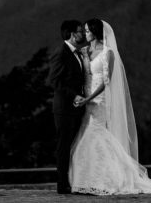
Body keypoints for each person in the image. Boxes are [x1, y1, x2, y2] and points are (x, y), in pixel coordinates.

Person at [68, 18, 151, 195]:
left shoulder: (108, 53)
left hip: (99, 100)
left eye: (87, 30)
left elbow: (106, 82)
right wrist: (82, 95)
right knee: (88, 136)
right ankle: (90, 180)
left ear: (95, 31)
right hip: (86, 98)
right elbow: (86, 75)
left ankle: (107, 179)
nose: (85, 33)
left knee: (95, 135)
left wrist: (89, 99)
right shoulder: (87, 51)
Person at [48, 20, 87, 194]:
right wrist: (74, 95)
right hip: (64, 108)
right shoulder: (61, 52)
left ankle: (74, 180)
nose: (83, 34)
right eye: (80, 31)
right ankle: (62, 184)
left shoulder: (77, 53)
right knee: (64, 146)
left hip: (77, 108)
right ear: (72, 34)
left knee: (75, 145)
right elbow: (55, 81)